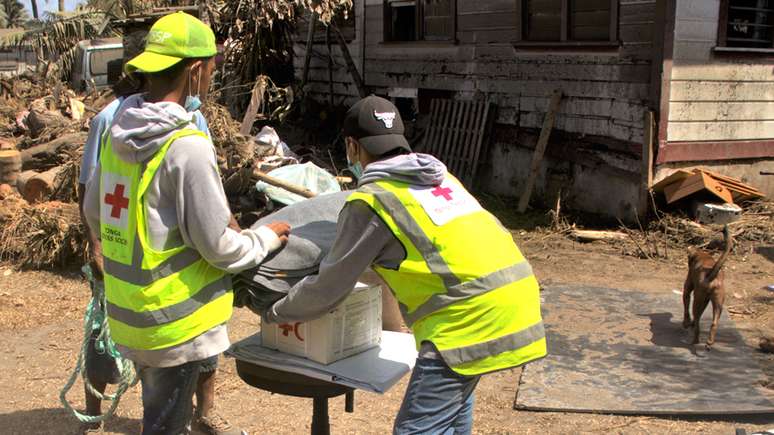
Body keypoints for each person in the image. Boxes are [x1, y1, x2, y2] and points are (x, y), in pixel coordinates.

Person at [264, 96, 547, 434]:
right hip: (515, 298)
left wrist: (276, 311)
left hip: (465, 320)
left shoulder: (372, 201)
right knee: (455, 413)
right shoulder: (439, 180)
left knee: (416, 429)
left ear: (352, 146)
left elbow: (330, 287)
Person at [83, 12, 290, 435]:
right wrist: (264, 239)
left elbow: (94, 210)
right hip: (174, 325)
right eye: (213, 66)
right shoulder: (186, 146)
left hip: (131, 315)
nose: (214, 75)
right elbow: (218, 246)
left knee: (158, 414)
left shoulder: (117, 134)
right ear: (195, 71)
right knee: (164, 426)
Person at [77, 71, 222, 435]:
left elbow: (203, 187)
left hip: (174, 262)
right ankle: (94, 415)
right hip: (124, 257)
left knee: (195, 348)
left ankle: (205, 413)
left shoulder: (194, 118)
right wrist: (97, 244)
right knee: (104, 336)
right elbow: (91, 189)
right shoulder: (111, 121)